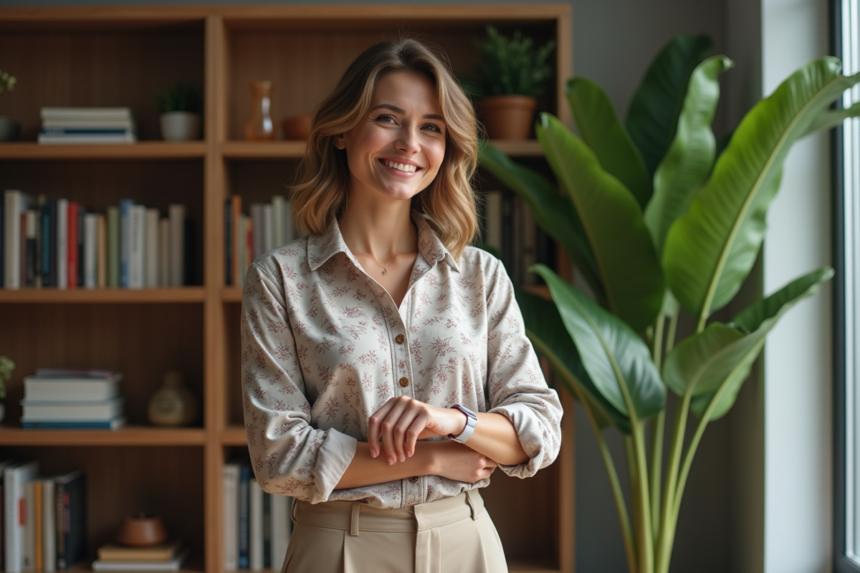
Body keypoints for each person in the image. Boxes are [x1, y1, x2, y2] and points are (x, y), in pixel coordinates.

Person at [240, 37, 563, 573]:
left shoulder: (481, 276)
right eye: (388, 119)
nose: (409, 143)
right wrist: (432, 457)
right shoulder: (280, 280)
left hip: (467, 542)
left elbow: (537, 428)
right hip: (339, 547)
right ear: (343, 131)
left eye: (431, 126)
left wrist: (448, 421)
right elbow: (278, 458)